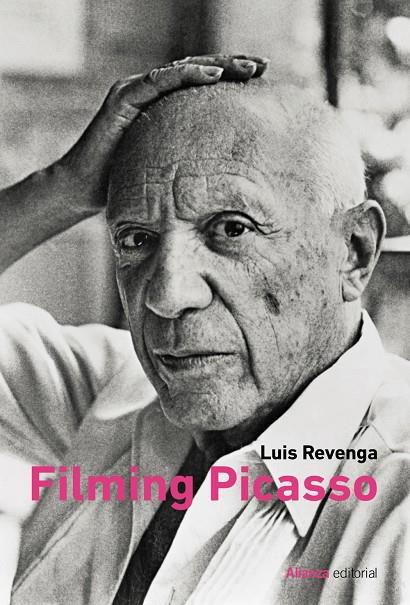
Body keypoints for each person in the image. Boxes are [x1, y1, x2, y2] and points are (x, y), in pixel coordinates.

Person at [0, 55, 409, 605]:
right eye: (137, 239)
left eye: (232, 229)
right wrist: (62, 187)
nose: (167, 296)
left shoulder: (396, 512)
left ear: (354, 251)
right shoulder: (112, 394)